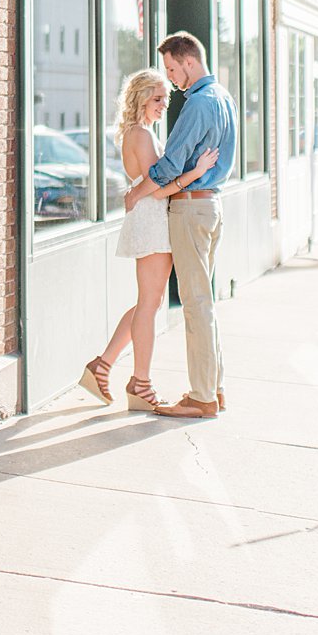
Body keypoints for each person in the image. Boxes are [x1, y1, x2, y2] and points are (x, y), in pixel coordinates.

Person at [80, 70, 218, 414]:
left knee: (149, 303)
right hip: (152, 219)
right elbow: (159, 185)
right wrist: (196, 173)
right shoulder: (140, 135)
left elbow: (152, 184)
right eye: (158, 98)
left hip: (152, 217)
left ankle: (103, 366)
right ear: (141, 98)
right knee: (149, 304)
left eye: (166, 99)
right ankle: (140, 383)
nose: (163, 104)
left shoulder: (141, 133)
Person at [121, 31, 237, 420]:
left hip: (190, 209)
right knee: (205, 301)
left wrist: (140, 192)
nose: (171, 78)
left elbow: (170, 164)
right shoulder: (224, 98)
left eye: (172, 69)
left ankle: (201, 396)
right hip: (212, 205)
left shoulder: (198, 103)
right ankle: (214, 389)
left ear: (189, 62)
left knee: (195, 305)